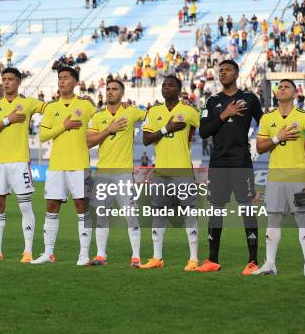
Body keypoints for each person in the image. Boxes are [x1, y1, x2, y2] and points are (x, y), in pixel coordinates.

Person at [195, 60, 263, 275]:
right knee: (215, 209)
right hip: (218, 163)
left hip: (241, 161)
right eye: (220, 70)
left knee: (247, 210)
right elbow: (204, 132)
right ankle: (212, 259)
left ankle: (252, 261)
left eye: (228, 70)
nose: (223, 73)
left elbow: (266, 123)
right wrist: (225, 113)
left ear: (237, 73)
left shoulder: (250, 98)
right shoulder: (212, 101)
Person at [253, 79, 305, 278]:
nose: (281, 89)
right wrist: (277, 138)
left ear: (295, 92)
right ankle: (270, 264)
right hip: (275, 177)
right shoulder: (267, 118)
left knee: (303, 218)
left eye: (286, 86)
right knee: (273, 218)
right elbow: (259, 148)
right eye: (279, 87)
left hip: (299, 177)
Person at [0, 68, 46, 263]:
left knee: (25, 206)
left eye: (10, 79)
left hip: (19, 162)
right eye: (4, 79)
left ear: (18, 82)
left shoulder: (28, 102)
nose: (6, 83)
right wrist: (9, 119)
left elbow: (52, 109)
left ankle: (28, 251)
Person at [31, 67, 96, 265]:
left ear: (76, 82)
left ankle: (83, 254)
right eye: (59, 78)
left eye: (66, 78)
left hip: (79, 165)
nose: (61, 81)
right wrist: (63, 126)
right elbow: (43, 136)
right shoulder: (51, 108)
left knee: (82, 207)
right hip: (57, 166)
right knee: (51, 207)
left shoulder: (86, 106)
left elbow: (104, 119)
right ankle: (48, 253)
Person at [140, 76, 201, 271]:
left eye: (170, 85)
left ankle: (193, 259)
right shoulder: (154, 111)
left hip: (182, 170)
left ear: (179, 89)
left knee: (189, 212)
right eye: (164, 85)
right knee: (158, 213)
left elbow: (207, 128)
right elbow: (146, 139)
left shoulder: (189, 111)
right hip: (161, 173)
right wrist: (167, 128)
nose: (166, 87)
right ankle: (157, 257)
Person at [86, 79, 146, 267]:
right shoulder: (97, 116)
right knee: (102, 215)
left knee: (130, 214)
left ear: (122, 93)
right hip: (103, 173)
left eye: (114, 89)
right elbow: (89, 141)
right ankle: (101, 255)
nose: (110, 92)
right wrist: (108, 130)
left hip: (123, 174)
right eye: (108, 89)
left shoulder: (131, 112)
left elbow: (153, 113)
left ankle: (136, 256)